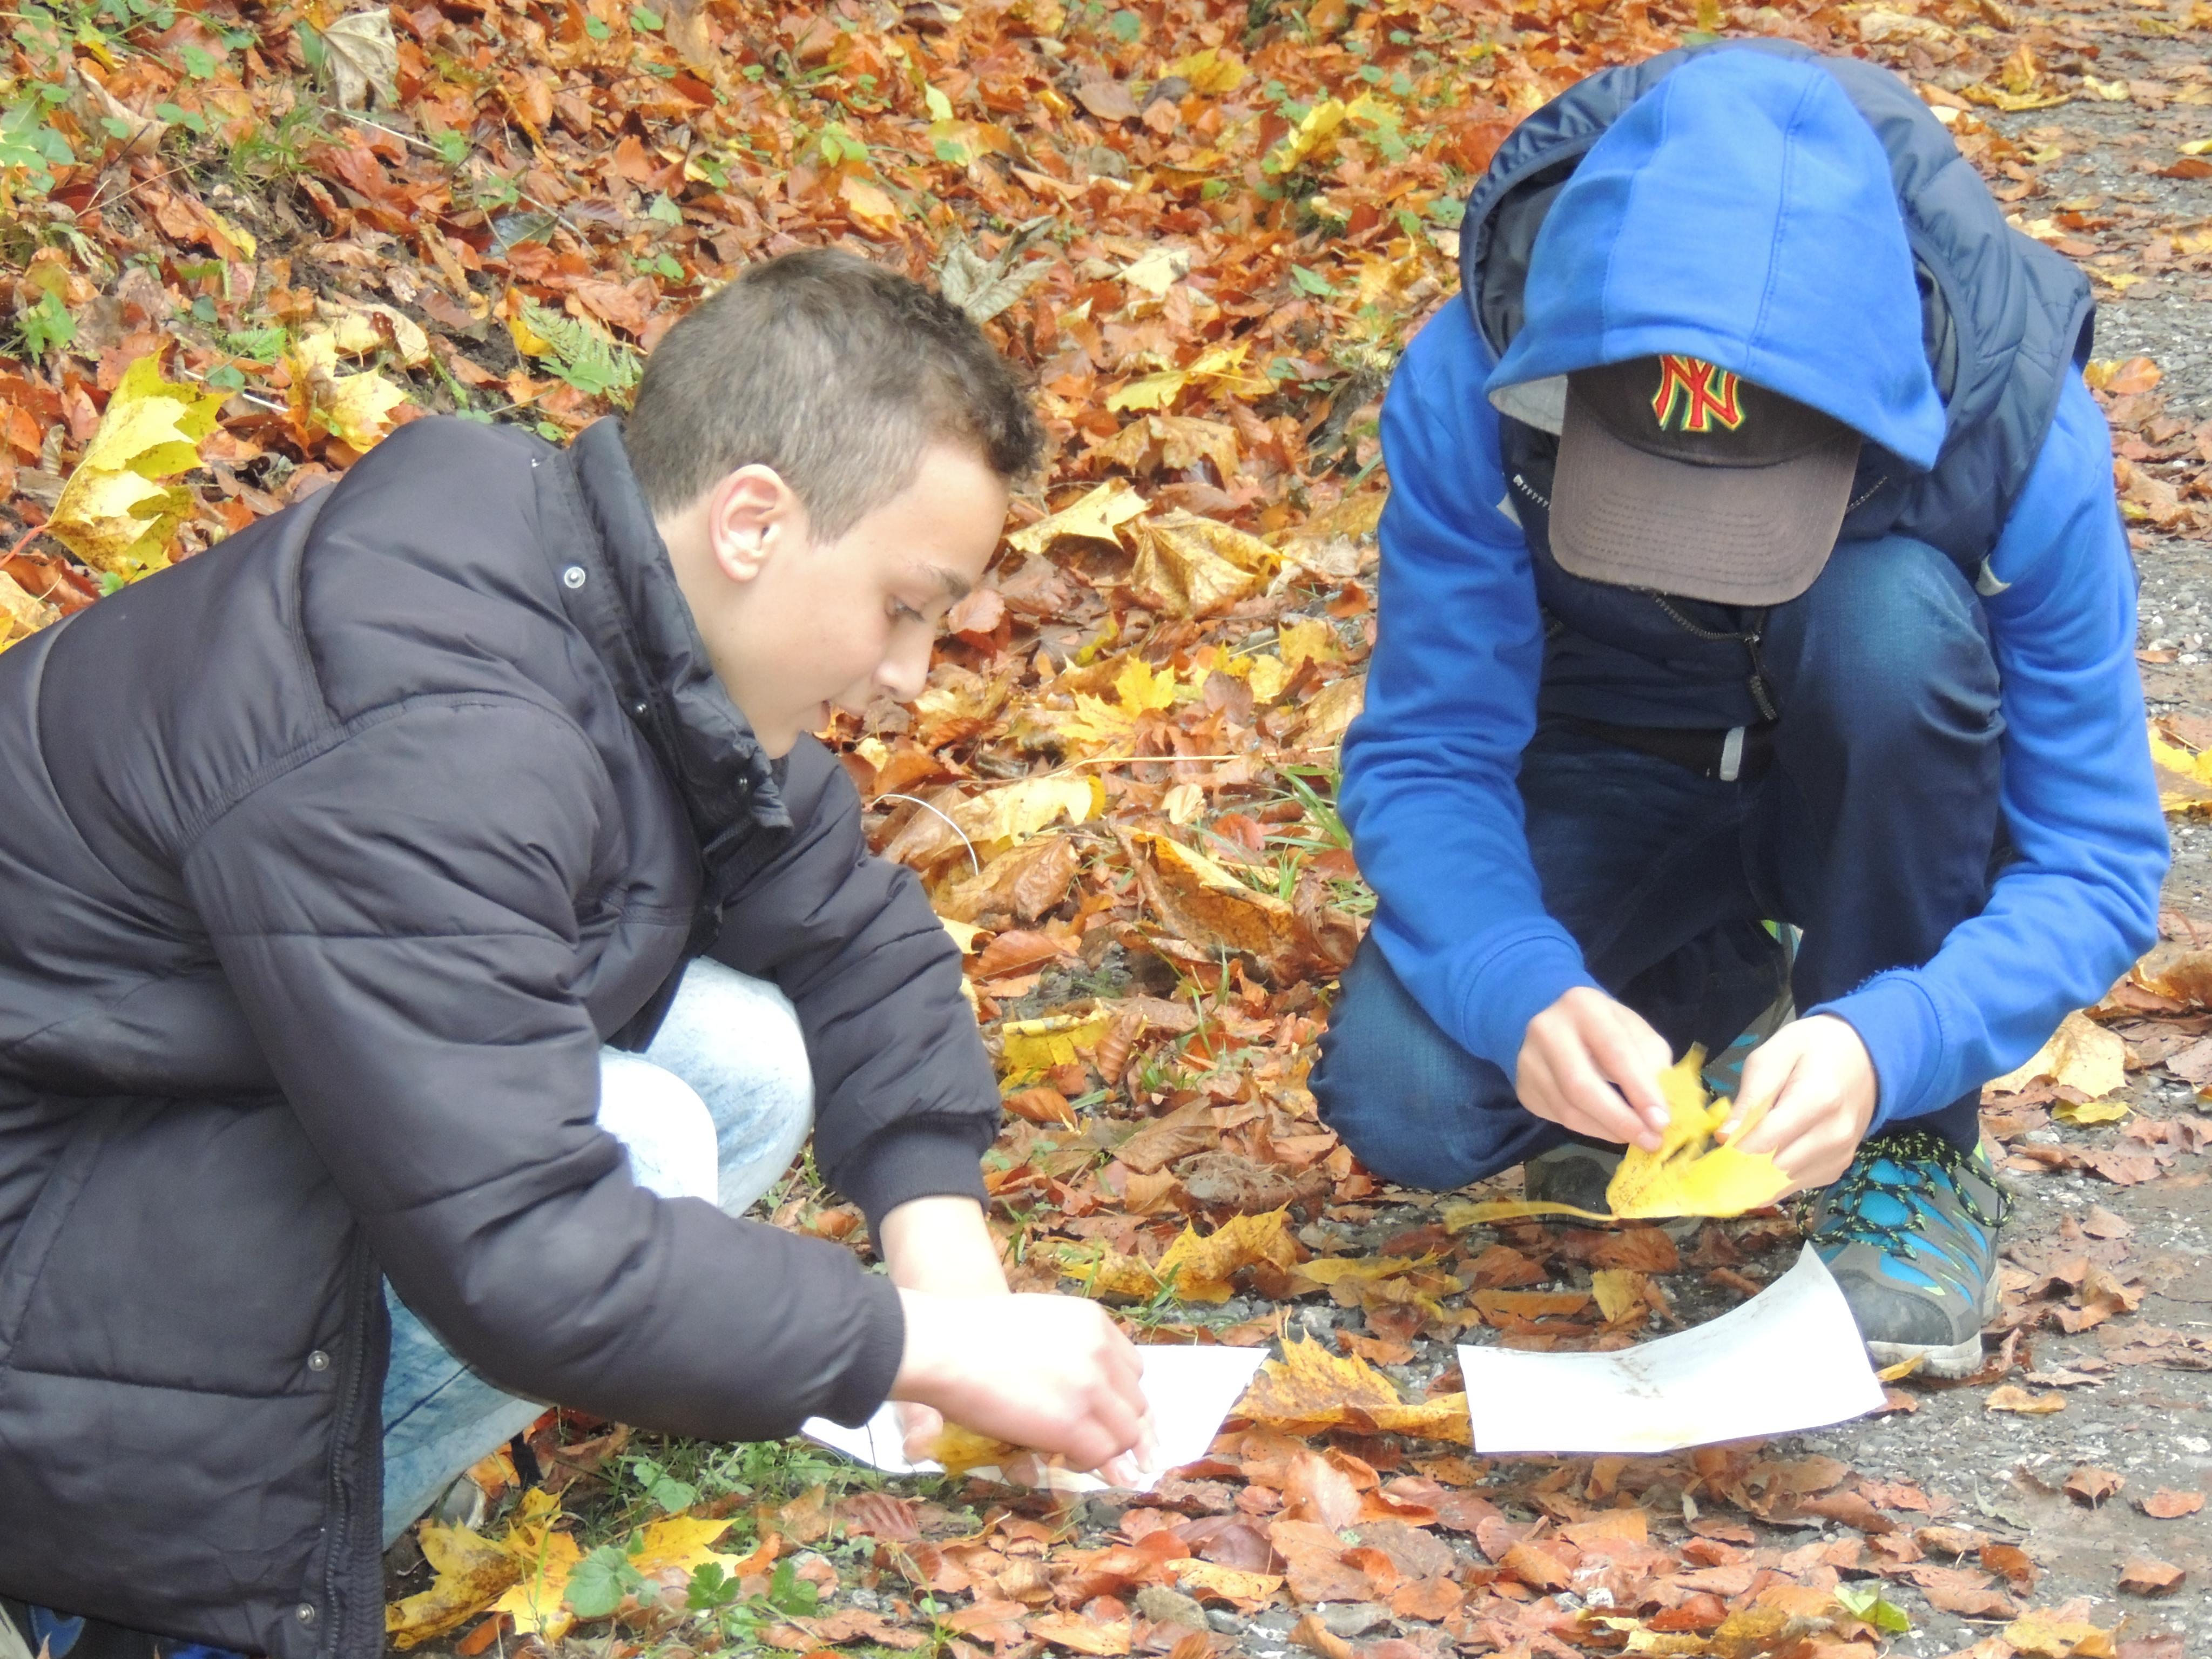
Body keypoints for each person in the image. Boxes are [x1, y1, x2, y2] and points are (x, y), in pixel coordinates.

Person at [0, 249, 1150, 1656]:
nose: (908, 674)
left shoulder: (603, 599)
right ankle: (133, 1597)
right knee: (638, 1143)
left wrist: (942, 1249)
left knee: (744, 1058)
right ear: (752, 523)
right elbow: (527, 1247)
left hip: (159, 1098)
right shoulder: (438, 737)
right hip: (51, 1207)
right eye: (903, 607)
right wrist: (918, 1350)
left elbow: (852, 934)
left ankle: (326, 1473)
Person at [1311, 42, 2167, 1378]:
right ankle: (1705, 987)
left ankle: (1911, 1156)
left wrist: (1893, 1044)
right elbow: (1430, 751)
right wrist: (1520, 985)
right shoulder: (1471, 384)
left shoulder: (2017, 432)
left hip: (1897, 791)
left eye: (1739, 512)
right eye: (1646, 496)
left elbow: (2097, 860)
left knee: (1886, 622)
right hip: (1618, 766)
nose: (1692, 552)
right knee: (1409, 1097)